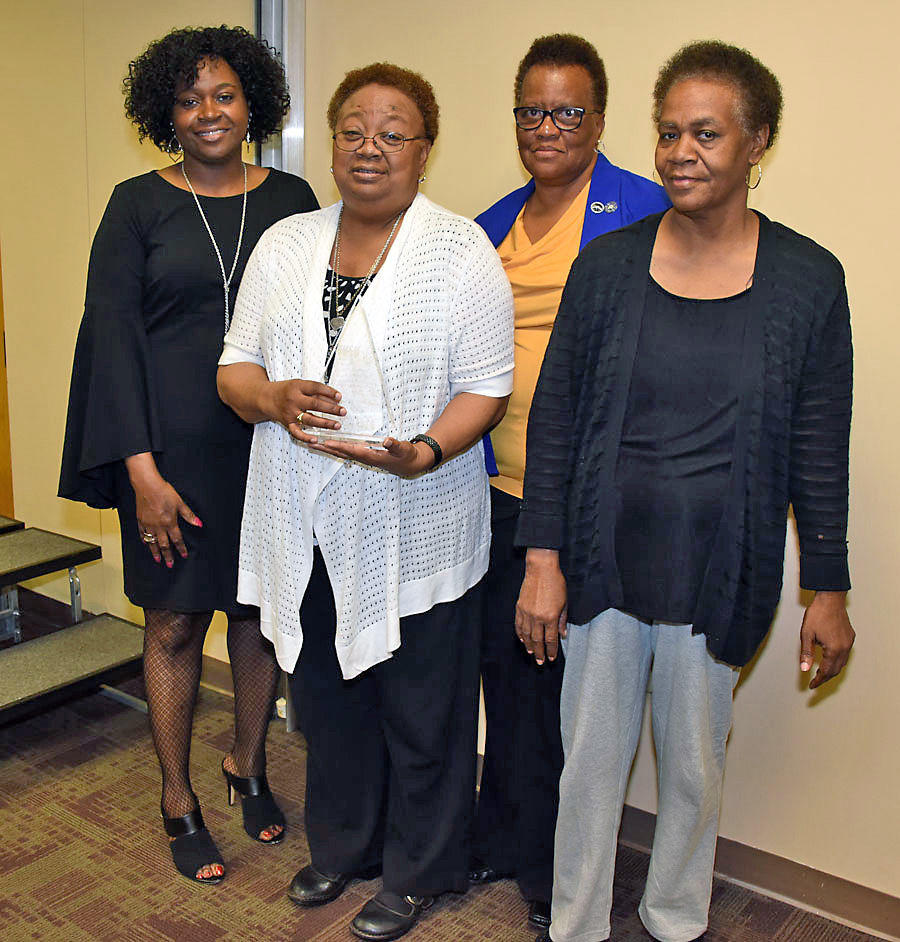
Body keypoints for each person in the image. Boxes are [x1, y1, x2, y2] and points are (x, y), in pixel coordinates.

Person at [516, 40, 855, 942]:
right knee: (588, 763)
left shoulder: (809, 280)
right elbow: (554, 421)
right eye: (668, 132)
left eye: (705, 133)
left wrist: (829, 585)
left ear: (758, 143)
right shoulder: (609, 266)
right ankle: (575, 925)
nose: (680, 152)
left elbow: (821, 446)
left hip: (721, 566)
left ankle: (675, 920)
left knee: (696, 768)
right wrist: (542, 559)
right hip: (601, 562)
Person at [216, 63, 514, 940]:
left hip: (418, 516)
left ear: (425, 148)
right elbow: (234, 366)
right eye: (352, 129)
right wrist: (271, 399)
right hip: (304, 517)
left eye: (392, 131)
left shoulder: (460, 251)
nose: (369, 147)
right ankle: (344, 847)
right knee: (328, 698)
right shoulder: (286, 242)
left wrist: (426, 451)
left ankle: (420, 871)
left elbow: (486, 387)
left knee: (423, 706)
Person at [59, 25, 319, 885]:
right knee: (174, 621)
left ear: (254, 105)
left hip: (270, 450)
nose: (208, 112)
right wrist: (141, 474)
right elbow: (111, 343)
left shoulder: (293, 197)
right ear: (163, 111)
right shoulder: (136, 205)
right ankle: (178, 795)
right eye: (188, 98)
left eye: (224, 95)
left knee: (258, 615)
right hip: (168, 456)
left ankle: (247, 765)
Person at [470, 33, 669, 932]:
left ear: (598, 120)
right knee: (506, 680)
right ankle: (506, 838)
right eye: (531, 111)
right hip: (488, 492)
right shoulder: (490, 224)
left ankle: (560, 872)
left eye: (567, 111)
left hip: (587, 503)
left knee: (567, 697)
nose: (546, 127)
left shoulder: (645, 212)